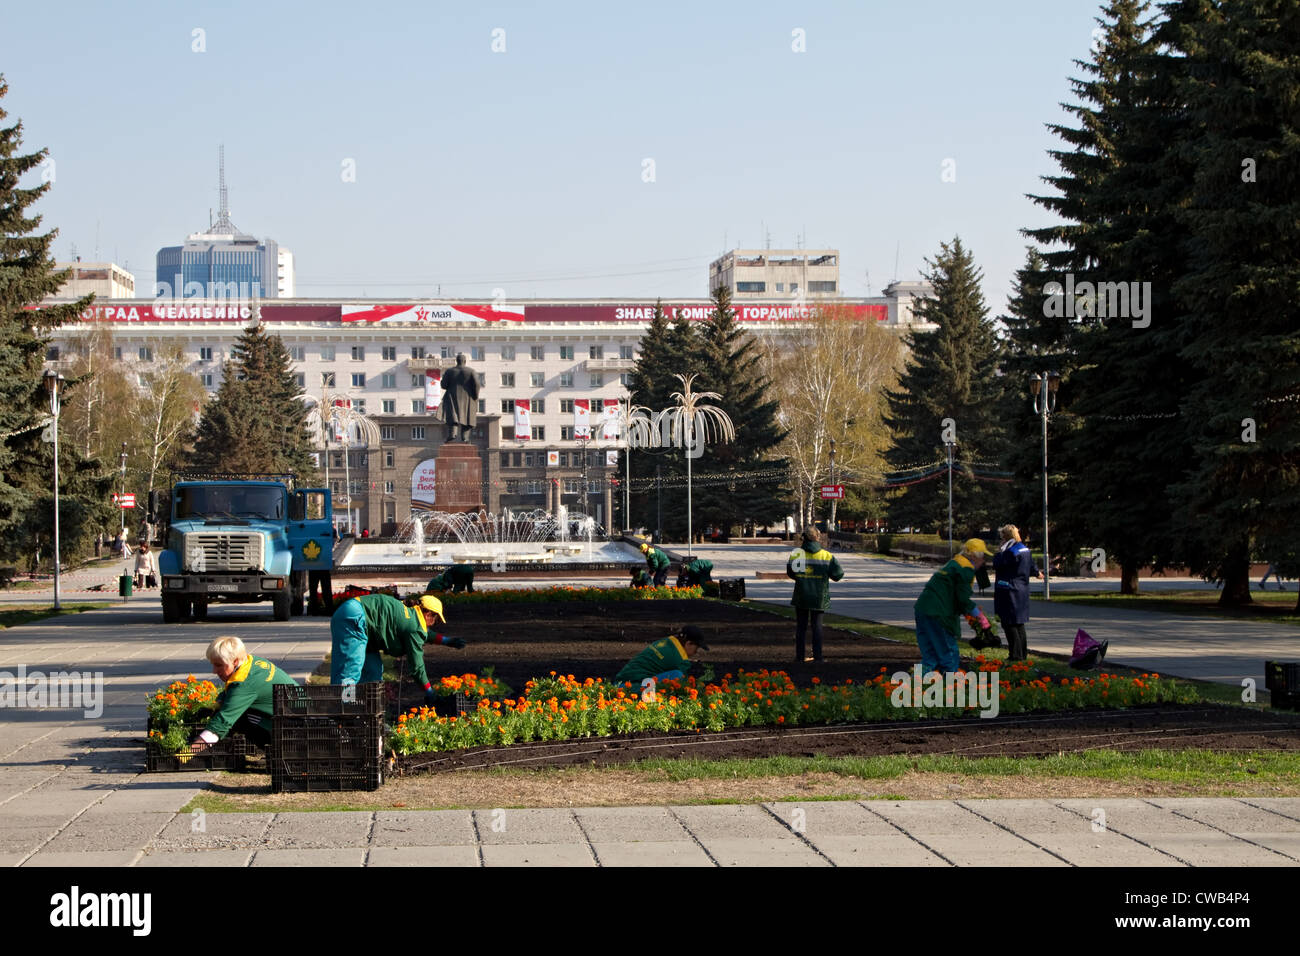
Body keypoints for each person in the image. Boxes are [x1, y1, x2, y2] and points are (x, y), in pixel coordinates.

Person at [330, 592, 466, 705]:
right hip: (354, 618)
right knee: (350, 669)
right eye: (436, 619)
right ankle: (343, 714)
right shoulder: (414, 626)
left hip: (362, 621)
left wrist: (446, 641)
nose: (435, 623)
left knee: (373, 672)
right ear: (428, 614)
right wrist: (429, 691)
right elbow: (417, 667)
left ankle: (367, 715)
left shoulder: (412, 616)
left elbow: (424, 634)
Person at [190, 636, 298, 752]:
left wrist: (188, 753)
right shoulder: (252, 661)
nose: (214, 671)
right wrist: (214, 705)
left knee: (240, 718)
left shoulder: (245, 684)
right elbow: (231, 694)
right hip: (297, 713)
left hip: (295, 730)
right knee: (233, 708)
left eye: (219, 665)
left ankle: (276, 751)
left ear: (235, 661)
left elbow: (222, 722)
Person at [914, 538, 994, 675]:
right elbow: (962, 599)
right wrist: (980, 617)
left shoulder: (954, 562)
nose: (984, 561)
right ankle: (951, 690)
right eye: (983, 557)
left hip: (923, 609)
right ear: (974, 556)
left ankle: (913, 689)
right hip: (940, 614)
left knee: (930, 656)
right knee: (948, 655)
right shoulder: (965, 569)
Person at [786, 528, 845, 662]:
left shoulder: (797, 554)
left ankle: (799, 656)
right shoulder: (826, 556)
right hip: (819, 596)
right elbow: (838, 575)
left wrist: (804, 578)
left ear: (804, 538)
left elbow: (791, 573)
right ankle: (818, 657)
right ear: (818, 538)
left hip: (801, 595)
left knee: (801, 627)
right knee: (817, 627)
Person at [992, 524, 1036, 661]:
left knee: (1008, 623)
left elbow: (997, 564)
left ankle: (1015, 655)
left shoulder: (1010, 552)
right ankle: (1022, 653)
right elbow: (1032, 566)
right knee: (1019, 624)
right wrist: (1037, 572)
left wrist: (1000, 551)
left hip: (1009, 591)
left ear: (1005, 537)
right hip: (1022, 590)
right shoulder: (1024, 549)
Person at [615, 625, 708, 686]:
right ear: (688, 643)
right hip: (632, 687)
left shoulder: (666, 641)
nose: (696, 652)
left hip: (620, 681)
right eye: (696, 648)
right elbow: (684, 685)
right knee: (678, 676)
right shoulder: (680, 660)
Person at [440, 352, 480, 443]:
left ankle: (452, 435)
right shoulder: (471, 371)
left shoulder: (449, 371)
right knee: (466, 417)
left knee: (453, 417)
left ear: (456, 361)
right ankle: (465, 438)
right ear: (465, 361)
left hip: (451, 396)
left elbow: (443, 385)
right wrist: (475, 396)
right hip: (467, 397)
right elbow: (477, 384)